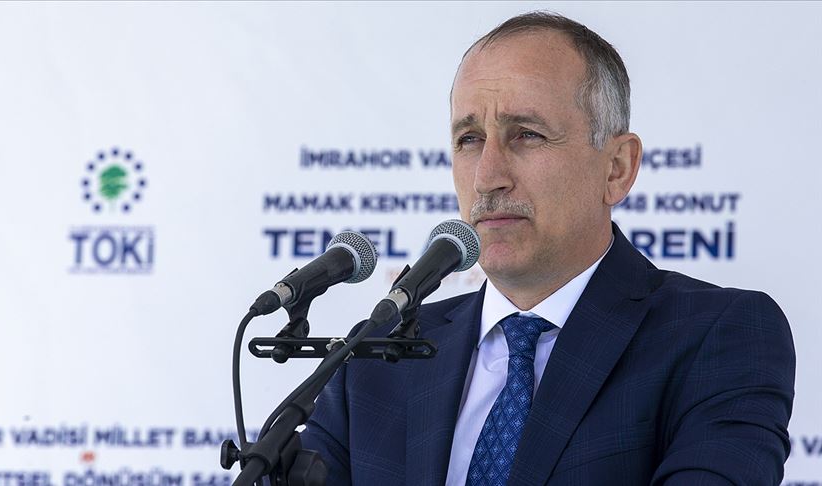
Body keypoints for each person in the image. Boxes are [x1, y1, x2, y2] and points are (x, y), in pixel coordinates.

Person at [300, 11, 795, 486]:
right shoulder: (376, 355)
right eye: (469, 139)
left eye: (527, 135)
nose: (487, 176)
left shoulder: (717, 336)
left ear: (617, 168)